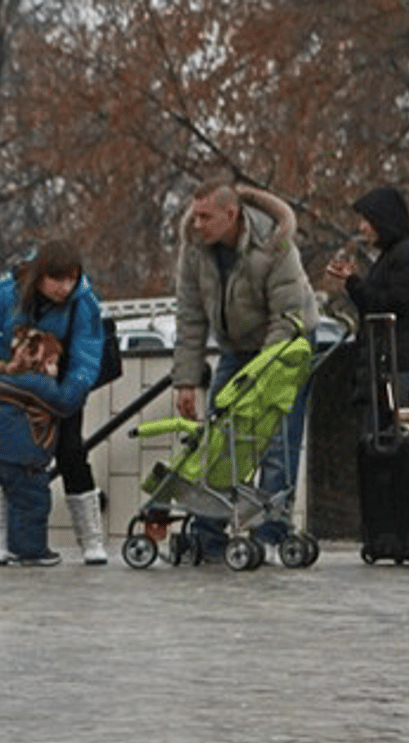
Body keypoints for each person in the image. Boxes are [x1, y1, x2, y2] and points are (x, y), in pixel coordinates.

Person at [172, 179, 318, 559]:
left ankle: (271, 530)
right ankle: (208, 530)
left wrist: (261, 378)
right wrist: (185, 380)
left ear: (231, 214)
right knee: (219, 434)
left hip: (286, 344)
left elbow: (287, 316)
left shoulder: (273, 243)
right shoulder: (195, 248)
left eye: (206, 216)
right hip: (236, 346)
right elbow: (189, 316)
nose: (198, 223)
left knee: (276, 437)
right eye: (196, 215)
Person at [0, 241, 104, 566]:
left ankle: (91, 540)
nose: (64, 288)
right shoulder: (7, 294)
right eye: (57, 279)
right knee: (2, 458)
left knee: (71, 453)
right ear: (39, 276)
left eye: (71, 279)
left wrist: (73, 391)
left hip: (60, 389)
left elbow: (88, 353)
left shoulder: (84, 304)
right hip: (10, 387)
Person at [327, 187, 409, 419]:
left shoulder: (402, 254)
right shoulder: (392, 255)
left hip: (396, 366)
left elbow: (391, 303)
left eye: (367, 220)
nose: (362, 228)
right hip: (388, 365)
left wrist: (353, 283)